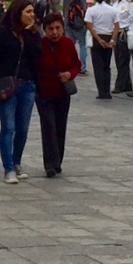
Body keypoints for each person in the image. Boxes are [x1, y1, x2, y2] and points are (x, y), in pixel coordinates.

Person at [0, 0, 42, 184]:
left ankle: (16, 162)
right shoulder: (2, 33)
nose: (32, 15)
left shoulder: (32, 33)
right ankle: (8, 168)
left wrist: (31, 34)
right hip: (5, 84)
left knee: (22, 128)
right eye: (28, 12)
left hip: (28, 84)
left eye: (33, 12)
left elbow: (38, 56)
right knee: (9, 126)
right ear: (18, 13)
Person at [34, 13, 82, 178]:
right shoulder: (40, 45)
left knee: (60, 127)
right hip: (44, 93)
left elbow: (77, 64)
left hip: (62, 93)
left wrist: (70, 74)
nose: (54, 32)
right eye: (50, 29)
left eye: (57, 28)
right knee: (48, 127)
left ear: (62, 28)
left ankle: (58, 161)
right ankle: (49, 164)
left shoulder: (68, 44)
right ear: (45, 30)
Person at [84, 0, 118, 99]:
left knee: (98, 66)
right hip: (108, 36)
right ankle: (107, 91)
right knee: (106, 66)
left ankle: (101, 91)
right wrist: (112, 40)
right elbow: (117, 26)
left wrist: (98, 39)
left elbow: (89, 26)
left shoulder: (91, 10)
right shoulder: (112, 10)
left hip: (97, 38)